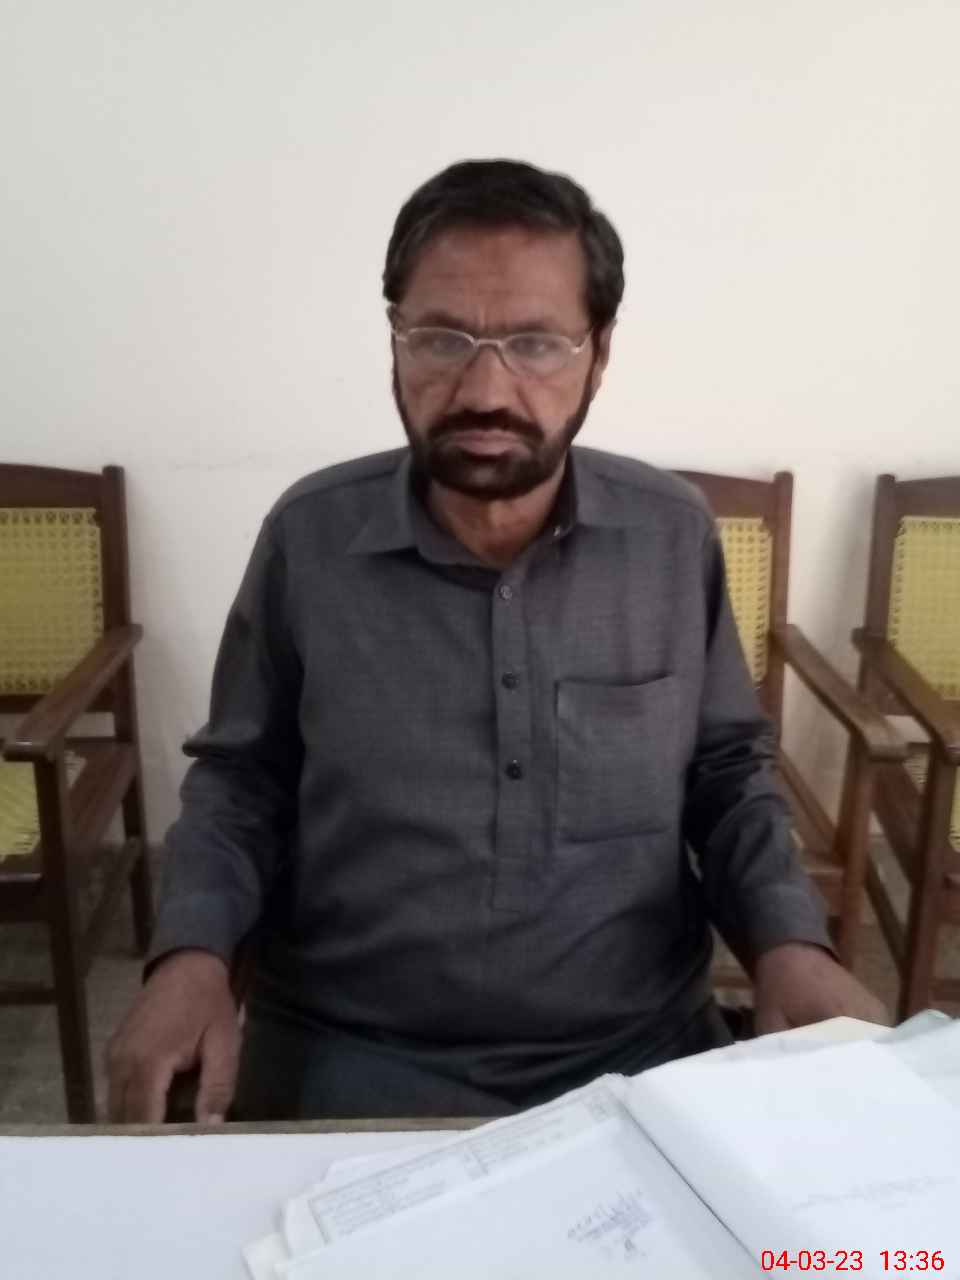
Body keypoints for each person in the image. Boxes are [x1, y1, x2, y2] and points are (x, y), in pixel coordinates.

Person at [107, 159, 885, 1123]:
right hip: (351, 1046)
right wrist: (191, 958)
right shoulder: (310, 539)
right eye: (441, 338)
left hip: (634, 1043)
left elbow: (727, 772)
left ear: (599, 353)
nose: (485, 387)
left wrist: (789, 944)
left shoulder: (672, 536)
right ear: (394, 342)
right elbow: (241, 780)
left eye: (535, 343)